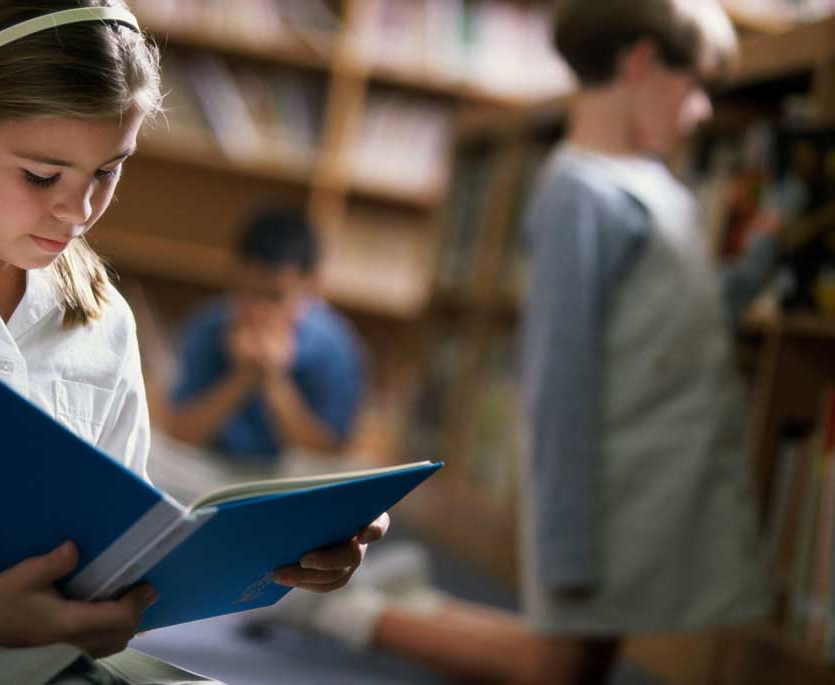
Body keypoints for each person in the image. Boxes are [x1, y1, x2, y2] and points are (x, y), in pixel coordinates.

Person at [0, 3, 387, 683]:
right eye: (40, 175)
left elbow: (117, 555)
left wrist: (286, 548)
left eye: (108, 172)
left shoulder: (101, 317)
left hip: (28, 651)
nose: (78, 211)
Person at [262, 2, 775, 683]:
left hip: (652, 478)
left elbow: (687, 313)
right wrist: (563, 546)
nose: (705, 109)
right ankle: (346, 613)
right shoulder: (578, 193)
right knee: (558, 664)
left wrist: (768, 258)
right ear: (642, 63)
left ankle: (405, 600)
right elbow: (559, 380)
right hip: (600, 489)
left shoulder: (655, 183)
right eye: (698, 84)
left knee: (585, 655)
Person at [165, 208, 366, 464]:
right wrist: (243, 378)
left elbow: (328, 453)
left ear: (310, 285)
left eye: (275, 297)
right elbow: (180, 433)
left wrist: (272, 379)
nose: (258, 311)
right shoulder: (209, 325)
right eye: (246, 292)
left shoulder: (334, 346)